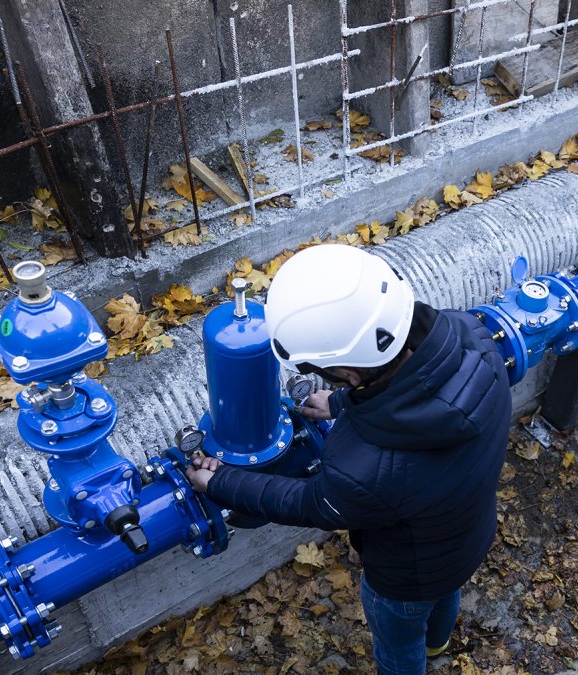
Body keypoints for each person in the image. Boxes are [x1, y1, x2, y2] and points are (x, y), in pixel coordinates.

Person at [185, 244, 512, 674]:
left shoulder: (365, 467)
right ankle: (438, 647)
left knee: (398, 645)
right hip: (468, 536)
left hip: (404, 580)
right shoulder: (473, 338)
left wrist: (223, 483)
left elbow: (310, 503)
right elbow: (411, 388)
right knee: (443, 594)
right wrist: (340, 403)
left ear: (351, 374)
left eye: (325, 373)